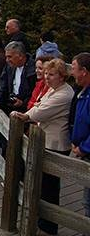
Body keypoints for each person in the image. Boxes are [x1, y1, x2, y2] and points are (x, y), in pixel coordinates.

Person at [11, 59, 74, 235]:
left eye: (51, 74)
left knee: (49, 188)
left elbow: (41, 111)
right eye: (46, 73)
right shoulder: (55, 90)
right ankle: (43, 222)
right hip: (46, 141)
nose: (47, 77)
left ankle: (48, 227)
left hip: (55, 144)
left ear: (62, 76)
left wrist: (24, 116)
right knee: (44, 186)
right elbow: (39, 104)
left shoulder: (64, 94)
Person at [0, 41, 36, 154]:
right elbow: (3, 84)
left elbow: (35, 92)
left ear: (20, 56)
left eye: (9, 56)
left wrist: (23, 103)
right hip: (10, 105)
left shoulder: (32, 69)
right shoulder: (10, 67)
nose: (7, 59)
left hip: (25, 110)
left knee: (19, 141)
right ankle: (3, 157)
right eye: (6, 57)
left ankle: (12, 164)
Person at [70, 52, 90, 218]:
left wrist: (84, 148)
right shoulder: (84, 92)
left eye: (74, 69)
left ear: (84, 71)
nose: (72, 73)